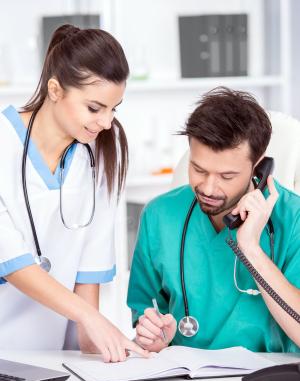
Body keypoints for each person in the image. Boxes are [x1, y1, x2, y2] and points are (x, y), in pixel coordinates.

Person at [0, 24, 149, 362]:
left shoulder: (104, 154)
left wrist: (94, 343)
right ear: (55, 90)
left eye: (114, 108)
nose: (107, 122)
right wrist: (89, 318)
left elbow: (88, 268)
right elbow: (12, 261)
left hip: (51, 359)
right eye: (94, 108)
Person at [127, 87, 300, 353]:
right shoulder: (159, 216)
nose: (208, 187)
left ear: (259, 167)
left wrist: (251, 248)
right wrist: (154, 336)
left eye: (227, 176)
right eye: (198, 169)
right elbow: (146, 314)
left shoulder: (293, 218)